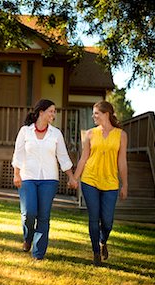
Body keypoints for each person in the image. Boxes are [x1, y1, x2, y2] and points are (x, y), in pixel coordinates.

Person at [12, 99, 77, 260]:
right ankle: (28, 237)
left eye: (54, 112)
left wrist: (71, 177)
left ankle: (38, 253)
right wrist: (16, 173)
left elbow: (63, 156)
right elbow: (18, 154)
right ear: (41, 112)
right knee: (29, 213)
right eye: (51, 111)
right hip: (27, 177)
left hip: (49, 179)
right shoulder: (25, 131)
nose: (54, 114)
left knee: (43, 216)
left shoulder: (56, 134)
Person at [73, 100, 128, 266]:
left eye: (96, 113)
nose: (93, 116)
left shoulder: (121, 135)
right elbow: (84, 158)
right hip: (90, 180)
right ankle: (96, 252)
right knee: (93, 217)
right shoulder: (90, 134)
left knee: (107, 221)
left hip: (111, 183)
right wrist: (75, 177)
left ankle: (103, 241)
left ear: (106, 114)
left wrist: (125, 184)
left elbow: (122, 162)